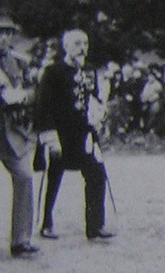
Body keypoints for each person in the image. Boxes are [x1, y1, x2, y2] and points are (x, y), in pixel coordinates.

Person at [35, 28, 112, 241]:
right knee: (54, 177)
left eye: (85, 43)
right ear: (66, 47)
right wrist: (50, 138)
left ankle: (95, 226)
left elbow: (94, 100)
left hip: (84, 135)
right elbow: (44, 107)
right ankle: (46, 223)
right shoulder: (53, 72)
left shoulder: (89, 71)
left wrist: (98, 114)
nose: (82, 48)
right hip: (60, 136)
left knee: (97, 174)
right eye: (77, 44)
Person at [0, 13, 40, 258]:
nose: (4, 37)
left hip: (10, 131)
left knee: (24, 177)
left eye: (8, 33)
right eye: (0, 32)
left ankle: (21, 239)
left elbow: (34, 89)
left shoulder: (16, 61)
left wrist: (24, 96)